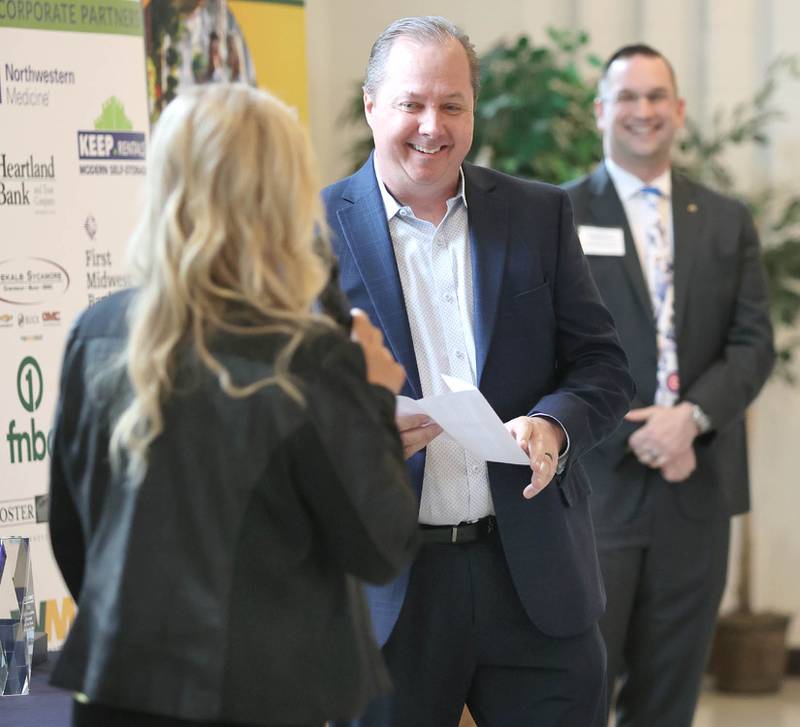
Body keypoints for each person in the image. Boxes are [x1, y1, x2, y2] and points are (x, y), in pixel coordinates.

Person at [48, 84, 419, 727]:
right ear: (283, 198)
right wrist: (374, 395)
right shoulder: (314, 357)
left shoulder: (97, 331)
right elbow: (379, 545)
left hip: (119, 690)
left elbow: (75, 535)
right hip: (263, 698)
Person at [323, 16, 635, 727]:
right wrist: (359, 435)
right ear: (372, 104)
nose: (432, 126)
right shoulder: (312, 231)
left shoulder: (538, 214)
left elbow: (603, 364)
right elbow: (282, 407)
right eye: (411, 103)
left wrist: (554, 424)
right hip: (389, 592)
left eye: (452, 104)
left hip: (533, 580)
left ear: (473, 110)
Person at [564, 45, 775, 726]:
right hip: (598, 489)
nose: (643, 111)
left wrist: (690, 418)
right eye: (627, 97)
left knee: (671, 695)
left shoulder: (725, 218)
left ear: (679, 110)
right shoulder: (556, 216)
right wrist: (635, 425)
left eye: (657, 97)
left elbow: (752, 343)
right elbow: (546, 351)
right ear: (601, 110)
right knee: (582, 684)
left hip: (697, 484)